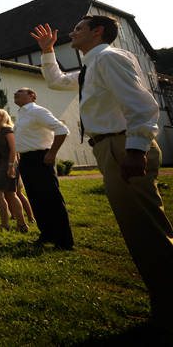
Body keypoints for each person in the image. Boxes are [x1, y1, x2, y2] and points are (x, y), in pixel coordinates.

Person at [33, 17, 173, 333]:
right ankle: (163, 306)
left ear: (98, 31)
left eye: (78, 28)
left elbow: (142, 105)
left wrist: (136, 149)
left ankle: (168, 316)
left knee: (147, 234)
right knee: (140, 233)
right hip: (110, 149)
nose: (72, 32)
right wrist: (46, 51)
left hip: (123, 146)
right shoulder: (89, 68)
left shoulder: (109, 57)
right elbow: (55, 81)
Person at [12, 87, 73, 249]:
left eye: (20, 92)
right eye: (14, 93)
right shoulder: (21, 114)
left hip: (41, 158)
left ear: (32, 96)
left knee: (51, 200)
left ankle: (64, 241)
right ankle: (47, 235)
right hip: (26, 160)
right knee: (36, 199)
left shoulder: (37, 111)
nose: (15, 94)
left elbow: (62, 130)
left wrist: (52, 153)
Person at [0, 109, 29, 233]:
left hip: (8, 163)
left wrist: (11, 166)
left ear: (1, 117)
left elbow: (14, 149)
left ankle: (8, 224)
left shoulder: (7, 129)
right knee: (9, 194)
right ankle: (20, 225)